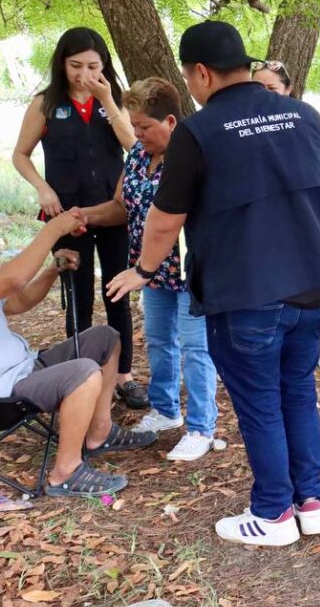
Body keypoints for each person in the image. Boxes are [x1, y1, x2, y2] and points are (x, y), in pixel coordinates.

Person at [107, 20, 320, 546]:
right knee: (297, 392)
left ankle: (273, 514)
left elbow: (165, 222)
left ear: (201, 72)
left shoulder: (198, 132)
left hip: (246, 293)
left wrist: (144, 271)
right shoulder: (303, 114)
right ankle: (311, 502)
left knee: (261, 403)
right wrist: (290, 224)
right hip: (315, 286)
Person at [0, 214, 156, 497]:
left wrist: (52, 270)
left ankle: (99, 433)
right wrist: (54, 228)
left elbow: (20, 301)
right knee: (83, 372)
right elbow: (13, 280)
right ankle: (65, 473)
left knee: (105, 338)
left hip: (25, 369)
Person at [80, 77, 222, 460]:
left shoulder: (191, 156)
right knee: (159, 341)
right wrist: (83, 216)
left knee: (195, 347)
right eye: (135, 126)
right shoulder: (139, 157)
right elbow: (121, 207)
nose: (138, 134)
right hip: (150, 269)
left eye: (144, 126)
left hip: (189, 269)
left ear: (170, 122)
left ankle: (201, 428)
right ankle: (164, 410)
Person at [11, 27, 147, 409]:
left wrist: (107, 99)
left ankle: (123, 376)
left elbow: (134, 146)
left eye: (92, 65)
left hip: (113, 211)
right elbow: (20, 154)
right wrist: (43, 188)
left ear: (104, 65)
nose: (83, 73)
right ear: (62, 64)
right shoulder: (45, 104)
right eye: (75, 65)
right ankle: (81, 376)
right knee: (78, 295)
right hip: (65, 214)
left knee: (117, 294)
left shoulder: (114, 99)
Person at [250, 59, 320, 371]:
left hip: (306, 255)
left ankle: (317, 343)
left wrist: (308, 215)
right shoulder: (243, 131)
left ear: (289, 89)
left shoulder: (307, 122)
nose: (264, 95)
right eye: (257, 88)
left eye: (272, 88)